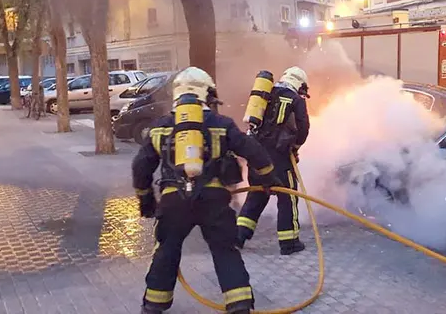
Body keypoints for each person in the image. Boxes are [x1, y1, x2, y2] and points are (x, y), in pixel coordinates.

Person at [132, 67, 277, 314]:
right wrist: (267, 178)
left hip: (173, 201)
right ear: (206, 94)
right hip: (214, 202)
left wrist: (146, 200)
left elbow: (141, 166)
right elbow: (253, 151)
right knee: (224, 251)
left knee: (166, 251)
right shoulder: (222, 124)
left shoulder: (161, 127)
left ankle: (153, 305)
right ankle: (239, 304)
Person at [236, 66, 311, 255]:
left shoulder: (265, 93)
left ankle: (239, 236)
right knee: (288, 196)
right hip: (279, 157)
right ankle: (289, 243)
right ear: (299, 84)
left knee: (256, 195)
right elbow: (303, 129)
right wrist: (295, 147)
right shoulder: (296, 99)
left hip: (256, 154)